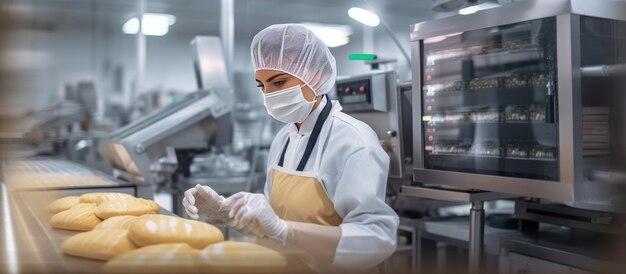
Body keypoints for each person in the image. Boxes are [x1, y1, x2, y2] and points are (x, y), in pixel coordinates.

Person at [182, 24, 398, 273]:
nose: (268, 95)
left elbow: (376, 238)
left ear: (315, 75)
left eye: (279, 82)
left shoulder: (354, 141)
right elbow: (269, 223)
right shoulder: (283, 138)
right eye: (261, 86)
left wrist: (286, 230)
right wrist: (226, 211)